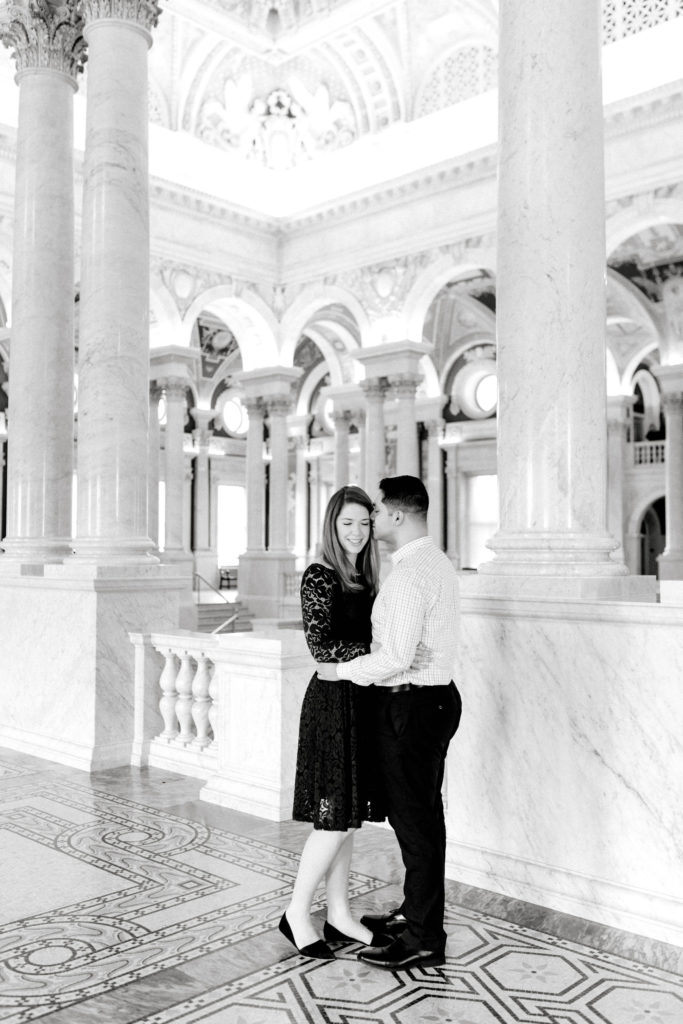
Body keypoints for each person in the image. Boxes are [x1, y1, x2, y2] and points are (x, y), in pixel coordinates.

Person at [316, 475, 462, 971]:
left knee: (415, 825)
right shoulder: (433, 560)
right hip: (433, 702)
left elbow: (395, 657)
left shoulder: (409, 575)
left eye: (376, 511)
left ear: (397, 516)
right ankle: (416, 915)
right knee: (423, 819)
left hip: (412, 705)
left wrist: (339, 671)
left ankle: (423, 937)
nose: (372, 518)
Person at [279, 485, 389, 961]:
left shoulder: (367, 578)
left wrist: (372, 658)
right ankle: (296, 913)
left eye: (365, 523)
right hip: (330, 706)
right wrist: (378, 654)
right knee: (331, 821)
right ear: (331, 525)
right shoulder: (318, 576)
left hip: (361, 701)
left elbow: (347, 653)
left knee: (347, 820)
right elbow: (321, 651)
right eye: (348, 523)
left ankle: (340, 913)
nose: (358, 533)